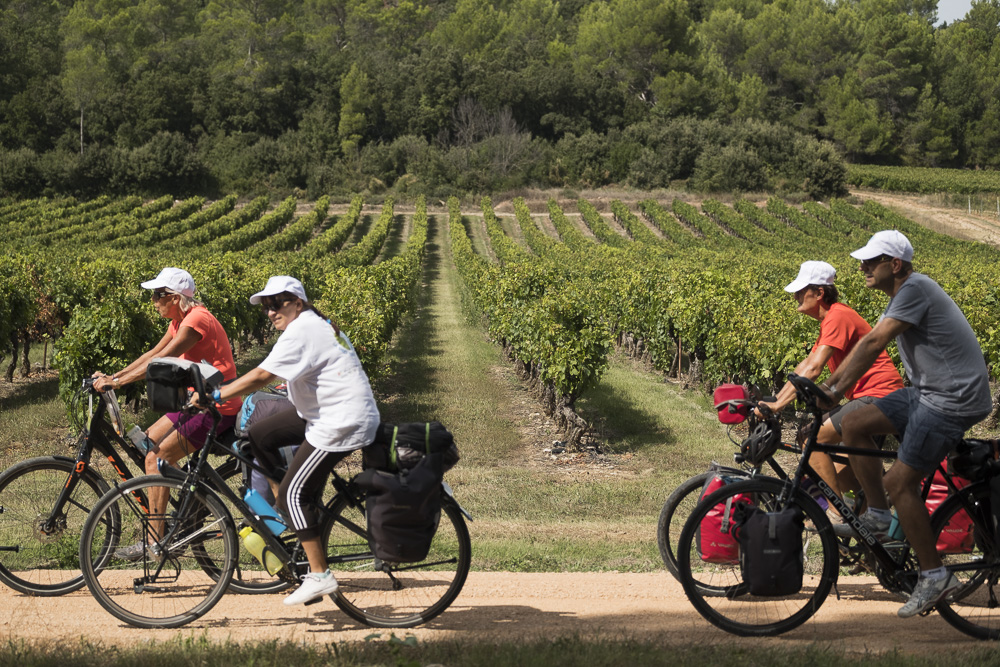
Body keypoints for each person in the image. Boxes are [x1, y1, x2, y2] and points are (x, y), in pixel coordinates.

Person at [819, 230, 992, 618]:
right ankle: (879, 515)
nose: (862, 267)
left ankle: (935, 575)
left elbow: (872, 343)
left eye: (870, 261)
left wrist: (831, 390)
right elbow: (868, 347)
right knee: (855, 424)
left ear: (894, 264)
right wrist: (832, 391)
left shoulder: (915, 289)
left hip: (952, 399)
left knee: (899, 481)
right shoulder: (902, 294)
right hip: (927, 391)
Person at [205, 276, 380, 606]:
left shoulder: (303, 329)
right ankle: (294, 511)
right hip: (323, 412)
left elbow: (261, 376)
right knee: (259, 435)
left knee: (292, 492)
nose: (270, 312)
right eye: (266, 308)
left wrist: (215, 395)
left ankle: (319, 574)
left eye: (277, 304)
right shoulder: (313, 324)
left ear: (298, 303)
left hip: (339, 422)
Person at [93, 267, 242, 559]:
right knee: (146, 442)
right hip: (194, 401)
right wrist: (114, 376)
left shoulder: (197, 319)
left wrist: (119, 382)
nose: (153, 301)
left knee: (155, 458)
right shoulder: (180, 320)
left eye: (157, 295)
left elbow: (166, 357)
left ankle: (155, 543)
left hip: (215, 405)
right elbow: (153, 353)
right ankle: (182, 501)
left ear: (174, 297)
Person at [756, 261, 903, 522]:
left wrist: (778, 406)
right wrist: (775, 399)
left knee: (810, 439)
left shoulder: (838, 316)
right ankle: (871, 545)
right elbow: (803, 368)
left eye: (801, 291)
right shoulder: (831, 319)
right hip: (871, 398)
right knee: (844, 478)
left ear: (820, 293)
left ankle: (837, 516)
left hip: (879, 396)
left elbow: (814, 369)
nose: (795, 296)